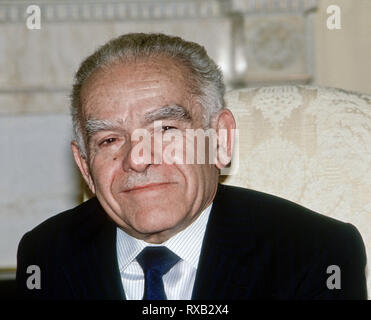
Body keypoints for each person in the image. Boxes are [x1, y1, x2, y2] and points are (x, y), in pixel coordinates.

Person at [16, 33, 367, 300]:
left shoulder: (314, 253)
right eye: (109, 140)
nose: (137, 159)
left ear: (221, 140)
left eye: (165, 130)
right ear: (85, 167)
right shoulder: (47, 255)